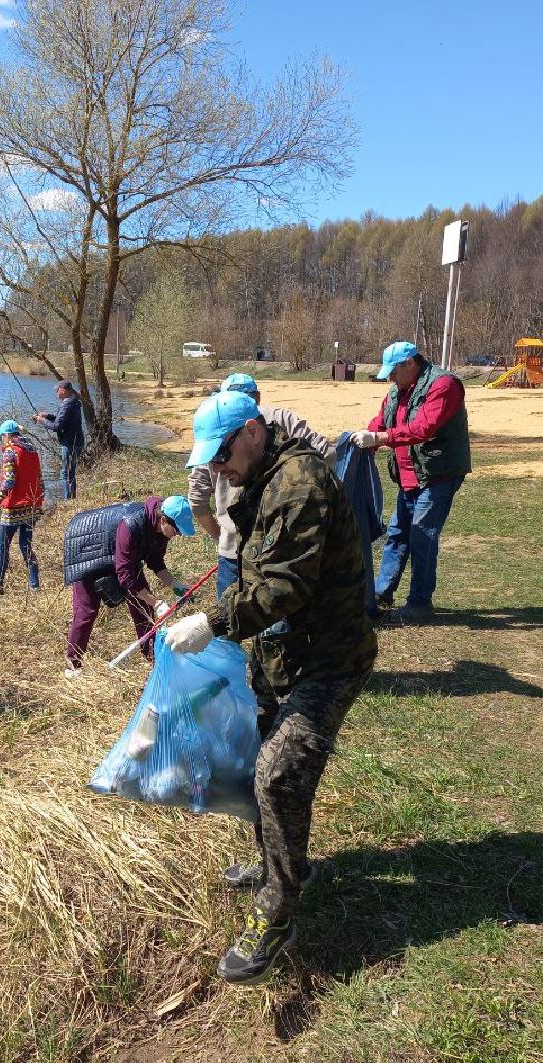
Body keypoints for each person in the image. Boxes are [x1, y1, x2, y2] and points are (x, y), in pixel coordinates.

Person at [164, 391, 377, 985]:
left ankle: (278, 913)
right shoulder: (263, 479)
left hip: (331, 659)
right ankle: (276, 864)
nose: (216, 469)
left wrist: (213, 624)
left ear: (253, 432)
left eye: (222, 454)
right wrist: (214, 614)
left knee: (278, 775)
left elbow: (283, 586)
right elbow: (254, 571)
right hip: (286, 654)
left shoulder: (300, 485)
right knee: (257, 757)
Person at [354, 341, 471, 623]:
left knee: (422, 536)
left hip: (438, 475)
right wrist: (362, 441)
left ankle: (420, 603)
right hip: (409, 476)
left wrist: (381, 439)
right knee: (397, 533)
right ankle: (381, 594)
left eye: (393, 372)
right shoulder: (398, 390)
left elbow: (424, 428)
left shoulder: (444, 385)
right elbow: (381, 422)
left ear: (410, 364)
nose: (390, 379)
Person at [188, 372, 332, 598]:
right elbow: (327, 453)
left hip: (253, 550)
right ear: (257, 396)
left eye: (222, 456)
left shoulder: (222, 428)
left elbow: (197, 501)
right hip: (263, 546)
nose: (217, 467)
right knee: (238, 619)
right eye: (213, 459)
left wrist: (222, 537)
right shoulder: (277, 417)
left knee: (256, 623)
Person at [61, 494, 195, 676]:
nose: (178, 534)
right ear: (163, 519)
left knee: (143, 605)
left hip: (120, 556)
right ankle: (73, 665)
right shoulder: (131, 524)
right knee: (87, 611)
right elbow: (125, 576)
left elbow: (155, 561)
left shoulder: (161, 530)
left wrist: (175, 585)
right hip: (88, 550)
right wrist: (157, 602)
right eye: (177, 530)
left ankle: (153, 658)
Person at [0, 420, 43, 594]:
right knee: (26, 545)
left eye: (1, 436)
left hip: (14, 507)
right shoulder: (32, 450)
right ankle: (35, 585)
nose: (1, 440)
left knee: (3, 544)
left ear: (7, 436)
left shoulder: (10, 452)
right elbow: (40, 479)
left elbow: (9, 481)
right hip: (32, 505)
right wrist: (39, 500)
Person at [33, 380, 85, 499]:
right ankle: (72, 498)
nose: (56, 392)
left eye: (58, 389)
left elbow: (57, 426)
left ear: (64, 390)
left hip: (69, 444)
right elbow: (62, 420)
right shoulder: (74, 402)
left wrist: (42, 420)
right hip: (77, 442)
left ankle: (68, 500)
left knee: (65, 474)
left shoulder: (66, 404)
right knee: (71, 472)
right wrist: (48, 416)